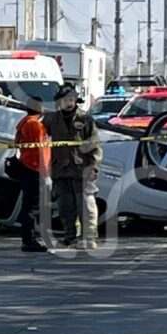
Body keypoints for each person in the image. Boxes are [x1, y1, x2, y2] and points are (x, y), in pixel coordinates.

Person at [43, 83, 103, 249]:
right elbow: (41, 138)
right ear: (59, 102)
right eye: (65, 100)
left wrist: (93, 167)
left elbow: (95, 145)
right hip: (60, 170)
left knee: (86, 205)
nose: (69, 103)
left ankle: (89, 238)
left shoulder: (85, 119)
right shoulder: (51, 120)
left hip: (82, 170)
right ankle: (70, 237)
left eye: (71, 99)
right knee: (65, 207)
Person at [14, 97, 50, 252]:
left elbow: (17, 143)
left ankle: (28, 238)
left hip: (26, 166)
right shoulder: (35, 125)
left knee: (28, 204)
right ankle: (29, 240)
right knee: (32, 207)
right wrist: (46, 174)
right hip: (35, 168)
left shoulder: (23, 123)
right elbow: (40, 150)